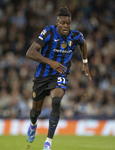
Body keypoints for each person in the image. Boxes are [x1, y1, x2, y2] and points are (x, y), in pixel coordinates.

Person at [26, 6, 92, 150]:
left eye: (68, 23)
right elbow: (30, 53)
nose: (66, 26)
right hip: (42, 76)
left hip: (60, 74)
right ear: (57, 23)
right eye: (63, 23)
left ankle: (48, 142)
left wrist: (85, 62)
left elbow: (83, 43)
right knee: (35, 111)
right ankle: (33, 124)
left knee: (56, 101)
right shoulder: (48, 32)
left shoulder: (75, 36)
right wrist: (51, 62)